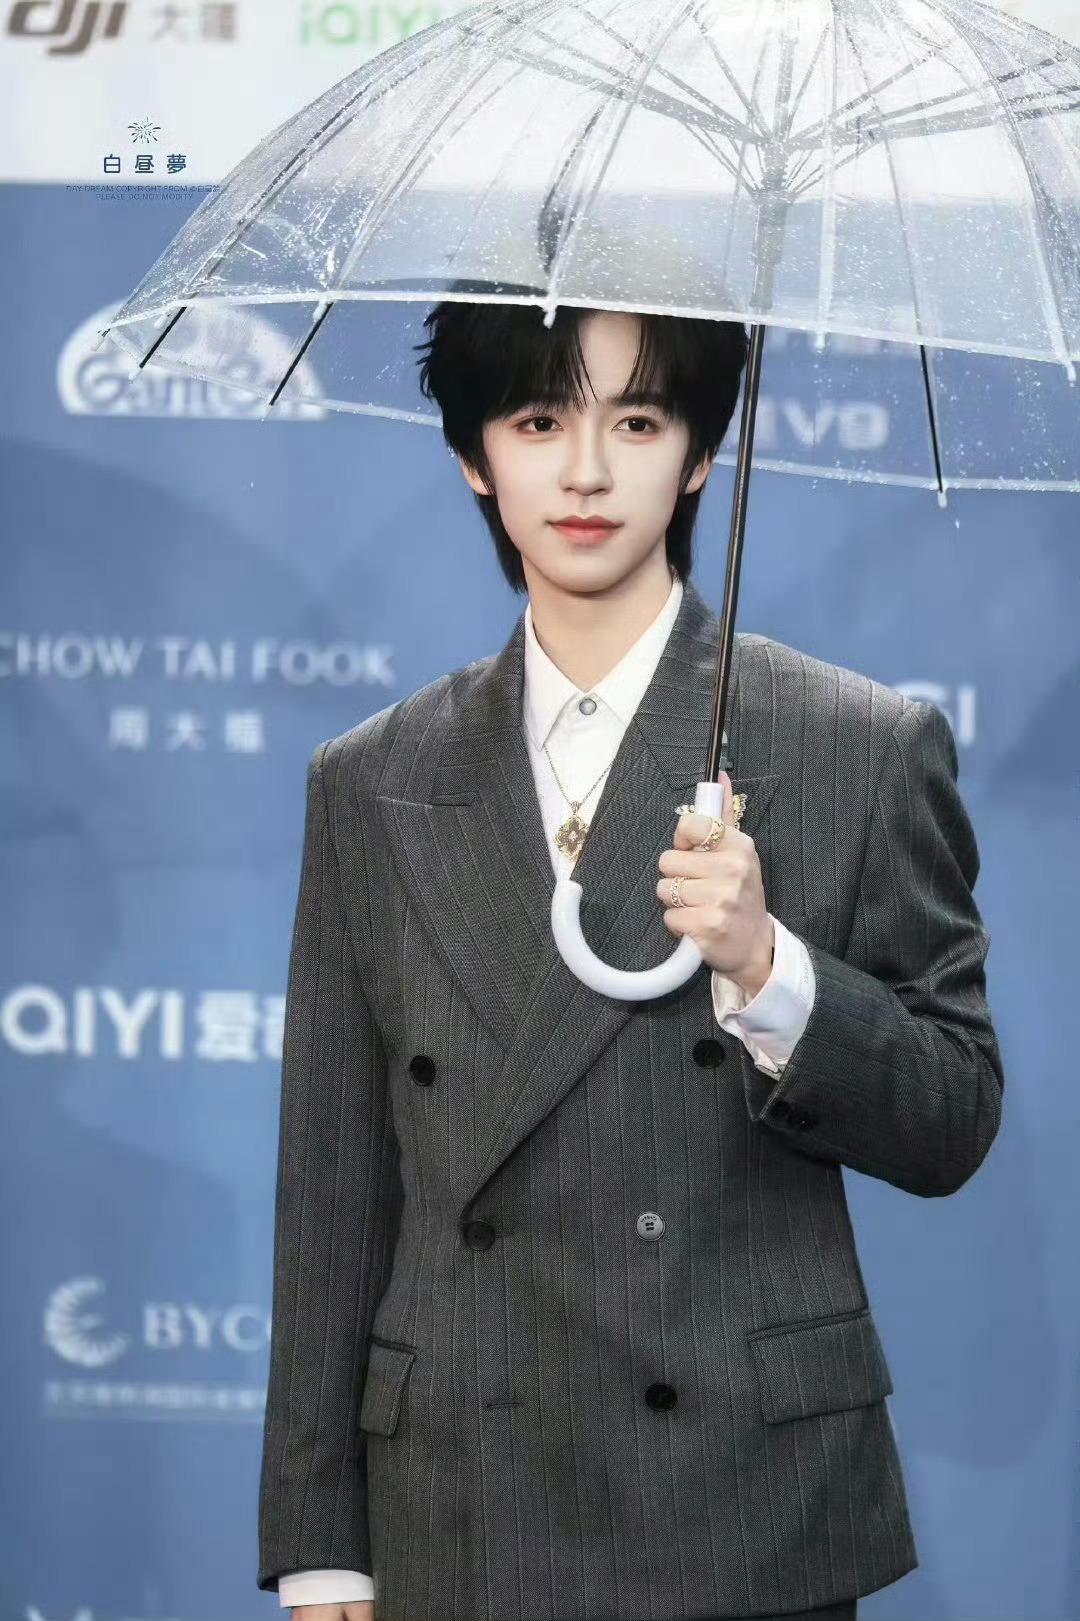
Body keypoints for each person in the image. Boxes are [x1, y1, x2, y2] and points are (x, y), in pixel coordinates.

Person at [256, 302, 1004, 1621]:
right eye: (541, 420)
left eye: (639, 421)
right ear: (475, 456)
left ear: (702, 454)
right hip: (463, 1498)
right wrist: (323, 1543)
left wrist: (769, 966)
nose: (588, 471)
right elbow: (336, 1178)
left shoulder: (858, 745)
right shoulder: (373, 779)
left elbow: (951, 1119)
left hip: (740, 1511)